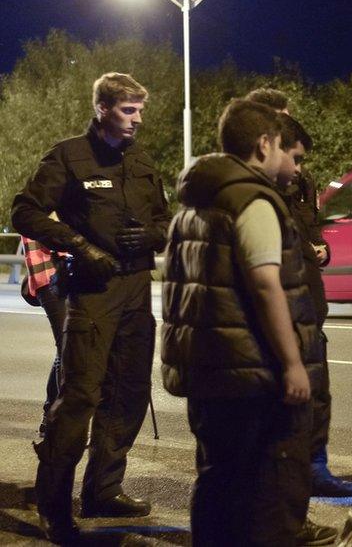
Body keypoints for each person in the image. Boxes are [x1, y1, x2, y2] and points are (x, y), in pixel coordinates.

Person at [12, 72, 170, 543]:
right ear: (102, 108)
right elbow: (25, 212)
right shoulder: (67, 156)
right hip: (93, 294)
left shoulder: (141, 160)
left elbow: (165, 219)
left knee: (130, 394)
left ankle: (103, 489)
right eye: (128, 110)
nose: (137, 119)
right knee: (79, 398)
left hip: (138, 293)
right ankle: (53, 506)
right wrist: (79, 246)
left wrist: (155, 236)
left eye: (140, 110)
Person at [160, 99, 326, 545]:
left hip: (209, 376)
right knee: (269, 496)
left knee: (217, 487)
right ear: (264, 144)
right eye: (285, 150)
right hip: (252, 380)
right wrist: (292, 364)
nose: (292, 164)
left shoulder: (195, 201)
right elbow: (266, 285)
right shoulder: (252, 200)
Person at [245, 88, 352, 498]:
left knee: (317, 391)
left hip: (308, 298)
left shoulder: (301, 177)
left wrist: (321, 249)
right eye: (279, 119)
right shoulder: (251, 185)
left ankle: (314, 468)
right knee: (278, 408)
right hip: (277, 310)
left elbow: (311, 229)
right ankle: (282, 493)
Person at [21, 235, 66, 439]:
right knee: (68, 347)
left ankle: (52, 416)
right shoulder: (40, 203)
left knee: (67, 346)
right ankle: (62, 422)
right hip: (48, 272)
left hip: (75, 272)